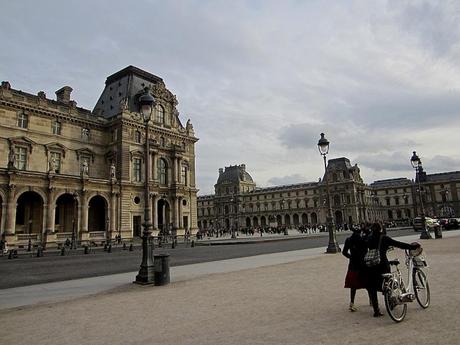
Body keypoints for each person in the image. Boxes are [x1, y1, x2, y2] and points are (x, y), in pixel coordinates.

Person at [365, 222, 420, 317]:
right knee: (388, 285)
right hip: (382, 265)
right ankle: (390, 303)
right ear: (380, 229)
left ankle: (376, 310)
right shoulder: (384, 238)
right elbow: (399, 244)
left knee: (373, 287)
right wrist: (412, 247)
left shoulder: (369, 238)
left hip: (371, 265)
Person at [342, 227, 367, 312]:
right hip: (362, 263)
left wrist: (351, 257)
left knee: (353, 285)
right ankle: (372, 300)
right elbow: (366, 251)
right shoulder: (362, 239)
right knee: (367, 282)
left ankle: (352, 303)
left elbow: (344, 252)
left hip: (353, 264)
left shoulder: (349, 240)